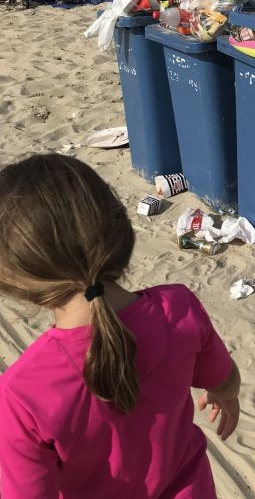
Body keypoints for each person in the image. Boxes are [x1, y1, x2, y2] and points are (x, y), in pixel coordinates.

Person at [0, 153, 241, 499]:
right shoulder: (178, 307)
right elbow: (225, 379)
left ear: (22, 285)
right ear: (118, 232)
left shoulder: (21, 394)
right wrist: (226, 394)